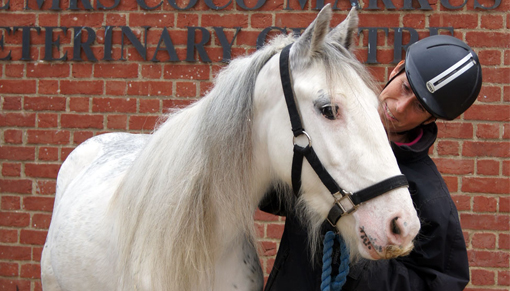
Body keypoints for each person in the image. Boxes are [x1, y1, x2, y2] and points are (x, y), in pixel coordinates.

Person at [260, 35, 483, 291]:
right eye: (406, 88)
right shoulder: (334, 132)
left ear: (429, 119)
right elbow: (283, 199)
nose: (399, 108)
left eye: (419, 107)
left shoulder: (432, 197)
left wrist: (359, 256)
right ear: (397, 69)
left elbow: (442, 283)